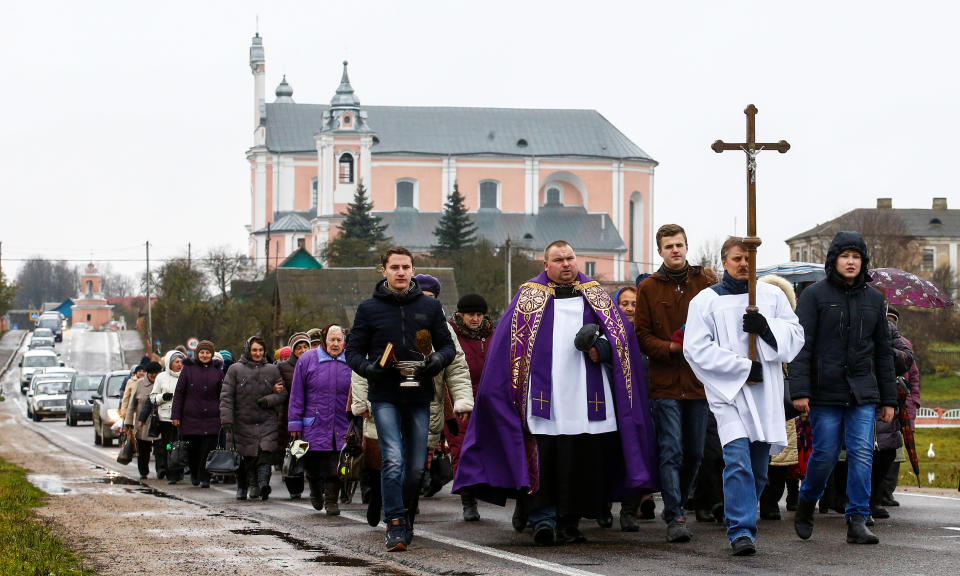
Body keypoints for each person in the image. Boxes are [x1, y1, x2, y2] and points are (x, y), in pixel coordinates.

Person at [453, 240, 658, 546]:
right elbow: (505, 348)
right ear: (545, 265)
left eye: (570, 258)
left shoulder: (596, 296)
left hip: (587, 396)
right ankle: (542, 518)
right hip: (542, 396)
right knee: (544, 456)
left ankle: (569, 521)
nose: (566, 264)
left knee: (579, 459)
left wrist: (603, 348)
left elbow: (622, 338)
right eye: (558, 259)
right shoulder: (528, 298)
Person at [683, 238, 805, 555]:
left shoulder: (772, 296)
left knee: (759, 469)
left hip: (765, 394)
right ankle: (741, 531)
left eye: (748, 258)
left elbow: (795, 335)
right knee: (737, 460)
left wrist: (765, 329)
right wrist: (740, 368)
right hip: (729, 395)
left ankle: (741, 508)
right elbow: (695, 348)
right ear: (725, 261)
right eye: (737, 258)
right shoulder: (705, 301)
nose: (743, 264)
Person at [343, 247, 458, 552]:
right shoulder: (368, 309)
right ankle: (394, 523)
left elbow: (448, 348)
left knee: (417, 468)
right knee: (392, 460)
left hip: (420, 395)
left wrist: (436, 361)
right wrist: (368, 368)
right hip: (385, 396)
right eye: (394, 267)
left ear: (413, 270)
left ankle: (405, 514)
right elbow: (352, 351)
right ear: (383, 270)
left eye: (406, 267)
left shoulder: (430, 309)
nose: (400, 272)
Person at [789, 231, 897, 545]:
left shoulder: (875, 299)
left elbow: (882, 353)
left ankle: (857, 519)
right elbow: (801, 346)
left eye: (856, 257)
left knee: (862, 452)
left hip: (862, 391)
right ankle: (807, 501)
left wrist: (888, 399)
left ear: (863, 262)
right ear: (834, 260)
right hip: (825, 390)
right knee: (825, 453)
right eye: (845, 256)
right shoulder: (814, 296)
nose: (851, 262)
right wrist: (800, 391)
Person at [634, 223, 716, 542]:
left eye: (679, 244)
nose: (675, 250)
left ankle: (680, 500)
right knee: (672, 449)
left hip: (697, 382)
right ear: (660, 251)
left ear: (686, 246)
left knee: (695, 451)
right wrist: (668, 348)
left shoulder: (704, 282)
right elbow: (641, 335)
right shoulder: (649, 288)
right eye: (669, 246)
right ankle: (675, 514)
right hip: (665, 381)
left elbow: (718, 323)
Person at [288, 326, 352, 514]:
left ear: (344, 341)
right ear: (324, 340)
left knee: (338, 464)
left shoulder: (350, 360)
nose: (335, 344)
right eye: (332, 340)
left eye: (339, 340)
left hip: (341, 424)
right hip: (312, 424)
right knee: (312, 464)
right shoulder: (307, 360)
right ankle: (315, 491)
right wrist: (294, 423)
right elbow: (297, 394)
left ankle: (332, 500)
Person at [220, 336, 288, 501]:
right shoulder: (235, 370)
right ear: (248, 351)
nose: (258, 353)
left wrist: (268, 400)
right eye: (254, 350)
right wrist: (227, 420)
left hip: (266, 420)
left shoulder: (272, 370)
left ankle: (263, 484)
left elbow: (283, 394)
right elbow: (226, 397)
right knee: (246, 457)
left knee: (264, 454)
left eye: (260, 350)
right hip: (242, 420)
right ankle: (246, 486)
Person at [447, 293, 493, 522]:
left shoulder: (491, 334)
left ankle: (487, 488)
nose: (474, 319)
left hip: (487, 399)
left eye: (478, 314)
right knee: (461, 449)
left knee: (487, 448)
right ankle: (468, 500)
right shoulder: (450, 334)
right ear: (461, 315)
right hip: (460, 399)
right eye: (470, 315)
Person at [171, 340, 223, 488]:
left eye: (207, 353)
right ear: (197, 353)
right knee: (193, 449)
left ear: (212, 354)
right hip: (191, 417)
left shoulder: (217, 370)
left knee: (208, 450)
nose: (204, 355)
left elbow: (223, 394)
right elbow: (179, 393)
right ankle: (194, 473)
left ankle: (205, 477)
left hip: (212, 417)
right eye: (202, 352)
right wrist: (176, 415)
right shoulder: (188, 369)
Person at [278, 332, 311, 499]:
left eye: (306, 347)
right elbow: (282, 392)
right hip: (293, 415)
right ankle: (295, 488)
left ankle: (316, 487)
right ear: (293, 350)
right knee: (296, 452)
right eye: (299, 347)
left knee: (313, 454)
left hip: (313, 416)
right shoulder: (283, 368)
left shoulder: (315, 364)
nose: (303, 350)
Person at [150, 350, 185, 484]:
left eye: (181, 362)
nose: (179, 364)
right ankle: (170, 472)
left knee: (181, 445)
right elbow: (152, 398)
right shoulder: (161, 377)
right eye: (176, 362)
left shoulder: (185, 375)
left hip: (182, 418)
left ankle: (180, 469)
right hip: (165, 418)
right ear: (169, 363)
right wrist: (162, 397)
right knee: (169, 446)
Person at [124, 361, 162, 480]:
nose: (154, 377)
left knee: (162, 448)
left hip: (159, 423)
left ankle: (161, 470)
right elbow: (131, 405)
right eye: (152, 375)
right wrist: (128, 423)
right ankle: (143, 471)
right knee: (143, 450)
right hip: (142, 423)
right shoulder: (139, 384)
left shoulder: (163, 382)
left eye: (157, 375)